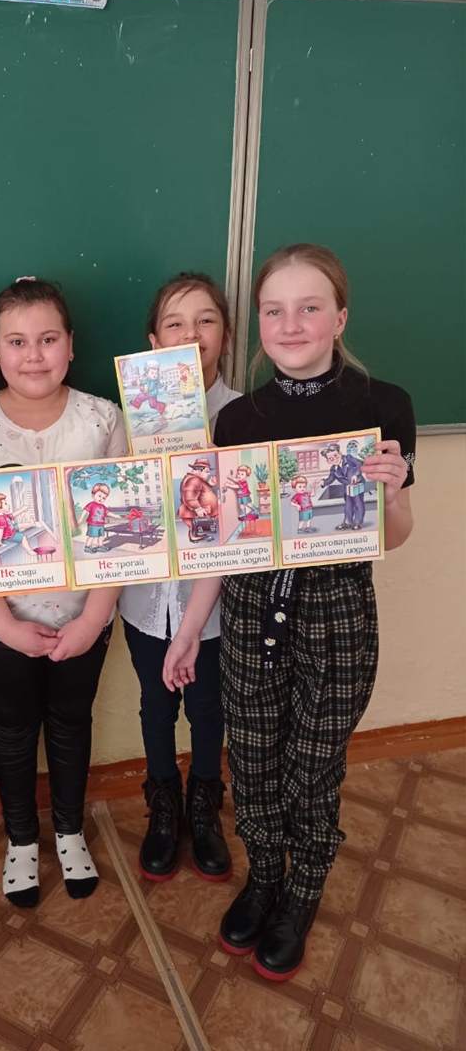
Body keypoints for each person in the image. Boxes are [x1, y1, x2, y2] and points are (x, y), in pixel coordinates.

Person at [163, 245, 415, 981]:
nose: (291, 323)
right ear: (259, 325)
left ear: (340, 317)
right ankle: (264, 875)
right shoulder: (238, 418)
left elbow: (394, 537)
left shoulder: (382, 405)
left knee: (312, 765)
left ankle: (303, 887)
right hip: (250, 608)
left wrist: (393, 492)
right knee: (253, 759)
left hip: (336, 608)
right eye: (274, 310)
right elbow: (221, 542)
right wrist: (189, 628)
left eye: (309, 307)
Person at [0, 277, 129, 908]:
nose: (33, 355)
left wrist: (92, 620)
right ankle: (22, 839)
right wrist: (3, 625)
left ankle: (70, 830)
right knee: (13, 728)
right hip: (0, 622)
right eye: (17, 341)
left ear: (70, 345)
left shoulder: (103, 420)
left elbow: (122, 532)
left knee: (72, 723)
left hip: (85, 614)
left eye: (48, 340)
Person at [119, 273, 239, 884]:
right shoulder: (125, 421)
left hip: (215, 605)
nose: (191, 334)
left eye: (206, 320)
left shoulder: (246, 416)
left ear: (226, 335)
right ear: (154, 341)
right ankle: (163, 803)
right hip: (146, 601)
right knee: (155, 703)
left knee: (209, 707)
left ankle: (204, 803)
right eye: (175, 323)